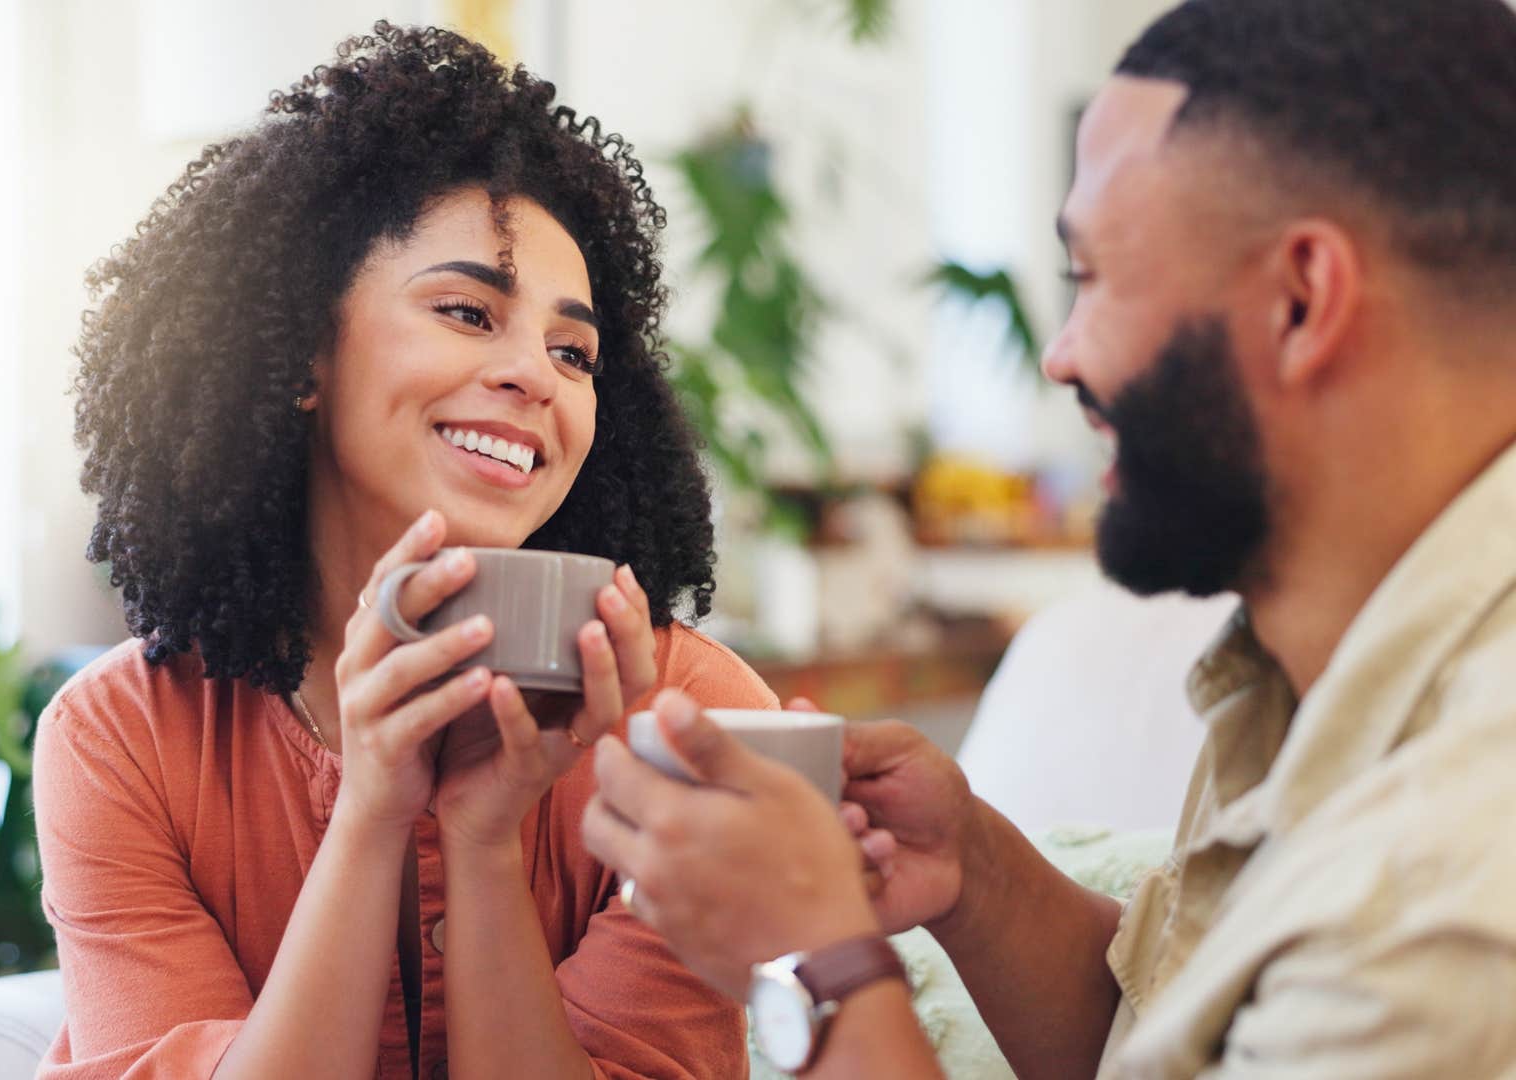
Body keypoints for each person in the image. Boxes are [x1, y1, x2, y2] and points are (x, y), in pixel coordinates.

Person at [583, 1, 1516, 1075]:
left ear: (1303, 299)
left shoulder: (1452, 869)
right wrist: (973, 867)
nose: (1062, 357)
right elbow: (1162, 1048)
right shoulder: (1308, 673)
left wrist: (822, 959)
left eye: (1094, 281)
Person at [34, 23, 777, 1080]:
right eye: (469, 311)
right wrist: (375, 804)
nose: (538, 376)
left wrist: (480, 845)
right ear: (298, 352)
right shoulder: (123, 739)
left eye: (575, 351)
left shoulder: (693, 720)